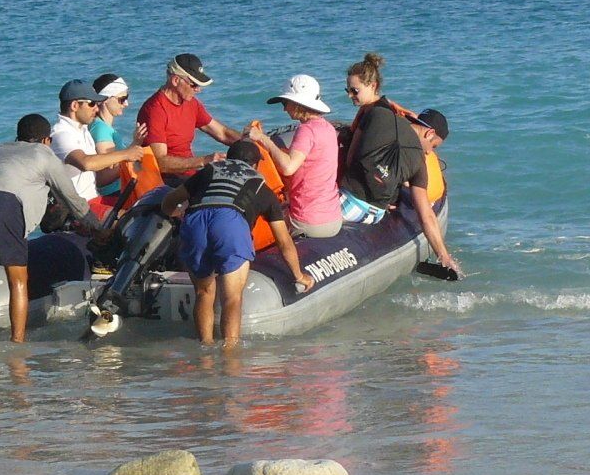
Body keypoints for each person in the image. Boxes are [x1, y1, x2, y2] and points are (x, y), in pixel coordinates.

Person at [159, 139, 313, 345]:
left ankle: (206, 349)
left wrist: (176, 216)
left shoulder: (207, 172)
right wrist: (299, 275)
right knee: (231, 298)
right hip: (230, 222)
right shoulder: (261, 186)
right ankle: (230, 353)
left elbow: (169, 201)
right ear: (256, 165)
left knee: (204, 293)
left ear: (228, 158)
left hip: (196, 220)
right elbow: (284, 242)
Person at [0, 113, 91, 343]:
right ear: (47, 141)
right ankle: (17, 343)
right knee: (18, 280)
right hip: (3, 202)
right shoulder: (45, 155)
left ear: (18, 137)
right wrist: (97, 227)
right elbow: (73, 201)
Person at [245, 73, 343, 240]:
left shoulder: (306, 130)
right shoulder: (327, 128)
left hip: (308, 222)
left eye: (285, 103)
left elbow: (288, 168)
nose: (284, 108)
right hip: (333, 219)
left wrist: (263, 138)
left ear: (298, 103)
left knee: (258, 219)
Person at [336, 51, 423, 223]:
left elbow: (351, 159)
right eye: (348, 90)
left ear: (373, 86)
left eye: (354, 90)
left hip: (355, 204)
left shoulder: (371, 115)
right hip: (378, 210)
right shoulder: (387, 111)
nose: (350, 95)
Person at [136, 53, 242, 176]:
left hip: (189, 175)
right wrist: (204, 160)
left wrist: (251, 143)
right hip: (165, 179)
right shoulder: (154, 110)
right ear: (176, 80)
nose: (198, 90)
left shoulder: (191, 103)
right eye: (194, 85)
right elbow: (160, 162)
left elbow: (222, 133)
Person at [49, 80, 143, 219]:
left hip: (94, 199)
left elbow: (99, 179)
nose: (97, 108)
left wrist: (132, 154)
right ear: (75, 105)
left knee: (146, 207)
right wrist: (126, 154)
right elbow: (86, 163)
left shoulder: (83, 130)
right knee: (131, 221)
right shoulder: (61, 134)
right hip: (77, 207)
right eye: (91, 104)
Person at [404, 107, 461, 276]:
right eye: (433, 145)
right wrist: (444, 256)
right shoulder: (416, 161)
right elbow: (425, 214)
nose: (429, 151)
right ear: (429, 133)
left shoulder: (393, 127)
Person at [88, 72, 133, 208]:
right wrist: (131, 160)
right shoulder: (100, 129)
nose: (126, 103)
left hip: (119, 191)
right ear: (106, 98)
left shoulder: (105, 128)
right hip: (114, 195)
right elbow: (103, 178)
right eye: (122, 99)